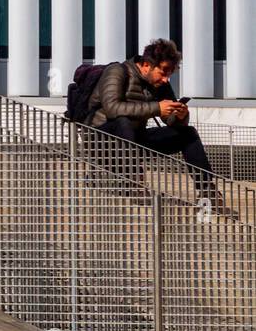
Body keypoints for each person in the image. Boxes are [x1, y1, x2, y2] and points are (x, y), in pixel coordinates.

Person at [87, 38, 228, 211]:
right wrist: (157, 108)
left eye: (170, 74)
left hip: (133, 141)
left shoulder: (159, 84)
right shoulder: (117, 71)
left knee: (188, 133)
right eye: (163, 72)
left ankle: (207, 189)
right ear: (147, 65)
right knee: (123, 122)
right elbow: (112, 108)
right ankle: (133, 183)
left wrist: (180, 115)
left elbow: (169, 120)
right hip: (102, 139)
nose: (166, 79)